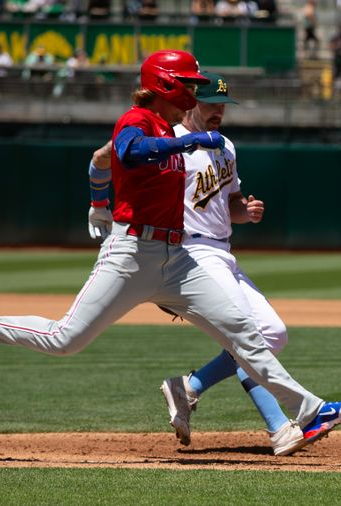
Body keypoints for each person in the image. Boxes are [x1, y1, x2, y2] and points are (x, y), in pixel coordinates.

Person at [0, 50, 341, 452]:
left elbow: (110, 164)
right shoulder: (136, 121)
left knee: (246, 333)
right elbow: (129, 153)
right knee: (64, 341)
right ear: (169, 85)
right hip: (132, 254)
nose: (195, 91)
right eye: (189, 83)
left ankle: (311, 411)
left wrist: (103, 198)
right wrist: (177, 150)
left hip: (179, 261)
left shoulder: (194, 137)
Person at [88, 71, 324, 456]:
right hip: (187, 252)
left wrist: (243, 211)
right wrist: (99, 200)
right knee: (247, 332)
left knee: (273, 334)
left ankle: (191, 386)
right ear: (189, 101)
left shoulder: (226, 146)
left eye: (223, 106)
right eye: (212, 103)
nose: (219, 112)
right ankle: (281, 427)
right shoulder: (166, 139)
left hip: (223, 251)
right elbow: (106, 156)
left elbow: (229, 201)